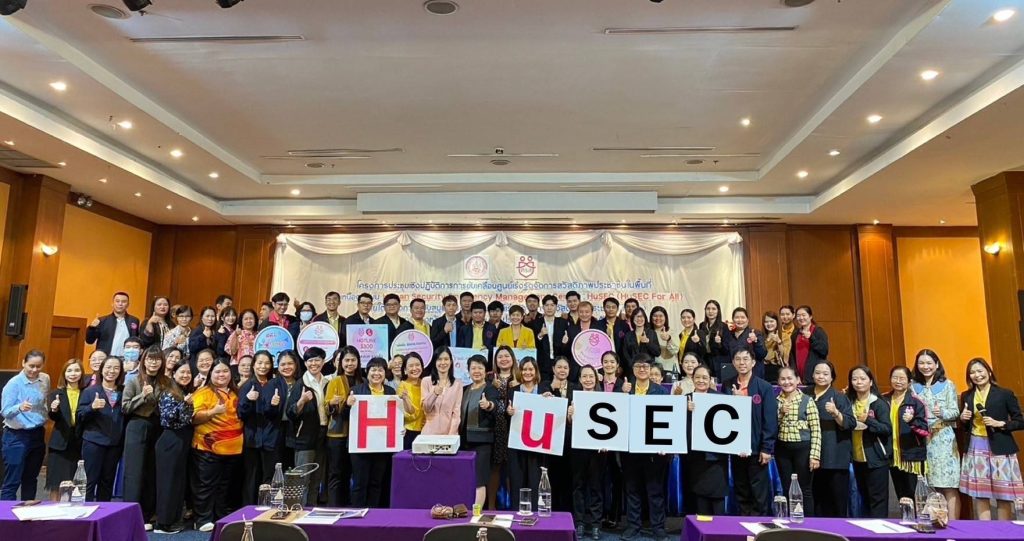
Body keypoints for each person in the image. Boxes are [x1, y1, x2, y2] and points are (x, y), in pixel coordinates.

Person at [959, 357, 1024, 520]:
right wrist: (963, 418)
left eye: (980, 371)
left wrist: (1001, 423)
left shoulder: (1004, 394)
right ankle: (985, 530)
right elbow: (965, 427)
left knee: (1003, 494)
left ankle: (1003, 530)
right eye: (972, 372)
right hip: (976, 445)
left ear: (989, 372)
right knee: (981, 494)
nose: (977, 375)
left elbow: (1020, 421)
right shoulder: (967, 396)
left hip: (1000, 445)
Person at [723, 349, 777, 516]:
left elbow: (770, 420)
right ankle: (743, 523)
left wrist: (767, 448)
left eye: (746, 359)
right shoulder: (727, 385)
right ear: (733, 363)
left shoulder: (764, 387)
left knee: (759, 492)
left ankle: (760, 526)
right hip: (735, 447)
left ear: (753, 362)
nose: (742, 362)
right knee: (741, 490)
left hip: (756, 449)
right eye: (738, 359)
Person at [620, 354, 668, 541]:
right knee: (632, 490)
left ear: (650, 369)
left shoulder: (661, 392)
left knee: (655, 491)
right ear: (633, 370)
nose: (642, 369)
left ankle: (658, 528)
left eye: (645, 367)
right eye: (638, 366)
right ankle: (633, 526)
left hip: (654, 450)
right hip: (630, 449)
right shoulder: (625, 389)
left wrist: (665, 444)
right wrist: (622, 395)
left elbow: (667, 419)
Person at [190, 361, 242, 531]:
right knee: (205, 485)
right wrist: (212, 412)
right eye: (217, 372)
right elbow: (193, 418)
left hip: (233, 449)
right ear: (210, 374)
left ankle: (220, 517)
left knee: (224, 486)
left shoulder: (236, 392)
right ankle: (202, 519)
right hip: (207, 447)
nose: (222, 375)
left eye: (225, 371)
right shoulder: (203, 392)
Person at [912, 349, 961, 518]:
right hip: (922, 439)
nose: (925, 366)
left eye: (929, 363)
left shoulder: (947, 385)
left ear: (936, 364)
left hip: (943, 439)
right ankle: (936, 521)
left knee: (948, 484)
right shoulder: (913, 387)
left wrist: (943, 413)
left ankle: (953, 524)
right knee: (931, 485)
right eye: (921, 363)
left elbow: (955, 411)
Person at [122, 346, 168, 524]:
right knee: (134, 472)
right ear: (144, 361)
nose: (153, 363)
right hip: (137, 425)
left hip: (158, 427)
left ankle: (147, 515)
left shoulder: (166, 381)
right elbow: (125, 407)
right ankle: (130, 514)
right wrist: (142, 395)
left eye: (157, 359)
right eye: (150, 359)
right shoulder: (134, 380)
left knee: (152, 471)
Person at [347, 357, 398, 507]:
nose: (377, 373)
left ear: (385, 373)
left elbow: (395, 417)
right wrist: (347, 405)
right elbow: (344, 417)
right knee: (359, 483)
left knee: (376, 483)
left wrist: (398, 430)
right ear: (367, 372)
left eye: (380, 370)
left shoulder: (390, 391)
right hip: (361, 445)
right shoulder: (356, 390)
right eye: (373, 370)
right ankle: (357, 513)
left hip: (381, 445)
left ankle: (373, 515)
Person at [807, 361, 855, 517]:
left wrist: (835, 413)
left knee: (836, 503)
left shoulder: (838, 397)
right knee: (816, 502)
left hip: (835, 456)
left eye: (825, 374)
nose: (821, 376)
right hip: (811, 457)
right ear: (812, 375)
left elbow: (850, 423)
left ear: (832, 377)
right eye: (817, 373)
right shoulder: (805, 395)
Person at [237, 350, 286, 505]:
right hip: (252, 440)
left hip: (271, 439)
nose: (263, 366)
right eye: (259, 363)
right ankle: (249, 509)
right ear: (253, 365)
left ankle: (269, 509)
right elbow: (241, 414)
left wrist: (274, 405)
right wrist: (248, 400)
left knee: (270, 478)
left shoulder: (276, 384)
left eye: (267, 363)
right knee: (251, 477)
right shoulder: (247, 385)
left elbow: (275, 414)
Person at [1, 350, 49, 501]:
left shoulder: (45, 379)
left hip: (37, 433)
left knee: (31, 479)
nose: (34, 370)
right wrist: (19, 408)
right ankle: (6, 514)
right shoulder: (13, 384)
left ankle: (29, 511)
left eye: (38, 366)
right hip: (16, 436)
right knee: (12, 481)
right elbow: (5, 411)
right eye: (31, 366)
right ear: (23, 363)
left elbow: (44, 402)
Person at [774, 366, 821, 518]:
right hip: (782, 449)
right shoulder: (776, 401)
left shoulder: (807, 400)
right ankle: (790, 520)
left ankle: (808, 523)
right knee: (787, 487)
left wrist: (815, 455)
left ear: (798, 380)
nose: (786, 382)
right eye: (783, 379)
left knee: (804, 489)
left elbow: (816, 429)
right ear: (778, 381)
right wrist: (781, 413)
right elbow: (772, 425)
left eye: (790, 378)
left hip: (803, 449)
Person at [154, 362, 195, 534]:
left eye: (188, 373)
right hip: (170, 440)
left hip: (182, 441)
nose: (185, 375)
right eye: (182, 372)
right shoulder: (168, 393)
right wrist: (185, 404)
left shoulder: (184, 392)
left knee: (177, 483)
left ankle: (173, 520)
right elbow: (168, 418)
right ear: (174, 373)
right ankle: (162, 523)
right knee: (167, 483)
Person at [846, 365, 892, 519]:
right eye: (854, 379)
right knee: (863, 498)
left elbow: (886, 429)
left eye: (862, 378)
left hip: (876, 458)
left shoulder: (878, 403)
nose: (858, 382)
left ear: (871, 382)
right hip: (857, 459)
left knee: (877, 500)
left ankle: (879, 529)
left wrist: (868, 420)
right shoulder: (849, 402)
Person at [77, 355, 125, 502]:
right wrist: (92, 407)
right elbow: (80, 415)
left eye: (116, 368)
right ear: (102, 369)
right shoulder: (90, 391)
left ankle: (104, 512)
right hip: (94, 442)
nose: (112, 371)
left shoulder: (123, 392)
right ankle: (86, 512)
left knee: (107, 481)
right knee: (89, 481)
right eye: (108, 367)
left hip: (114, 444)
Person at [288, 347, 332, 506]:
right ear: (305, 363)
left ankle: (311, 510)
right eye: (310, 360)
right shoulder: (300, 384)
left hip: (323, 435)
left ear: (323, 361)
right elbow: (290, 413)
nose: (314, 363)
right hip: (304, 437)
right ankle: (299, 512)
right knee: (302, 479)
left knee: (316, 479)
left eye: (317, 360)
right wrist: (302, 401)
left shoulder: (327, 383)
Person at [684, 364, 728, 515]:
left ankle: (719, 529)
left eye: (704, 377)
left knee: (717, 499)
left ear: (710, 380)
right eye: (697, 377)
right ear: (692, 379)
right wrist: (685, 410)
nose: (701, 381)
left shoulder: (721, 398)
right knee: (699, 499)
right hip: (694, 457)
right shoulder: (685, 399)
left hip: (716, 457)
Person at [460, 354, 501, 509]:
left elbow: (496, 406)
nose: (476, 371)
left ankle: (476, 512)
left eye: (480, 368)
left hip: (482, 442)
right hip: (464, 442)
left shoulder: (490, 388)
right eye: (473, 368)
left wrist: (488, 405)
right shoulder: (464, 389)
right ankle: (465, 510)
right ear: (468, 371)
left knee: (479, 480)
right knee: (466, 478)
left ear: (485, 371)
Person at [568, 365, 603, 540]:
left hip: (598, 450)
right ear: (580, 379)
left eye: (591, 376)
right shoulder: (573, 398)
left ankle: (596, 524)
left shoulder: (604, 398)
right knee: (578, 486)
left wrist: (607, 443)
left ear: (596, 379)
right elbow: (568, 423)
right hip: (578, 448)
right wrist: (570, 415)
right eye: (585, 376)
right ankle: (580, 522)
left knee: (596, 486)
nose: (588, 380)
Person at [506, 357, 546, 509]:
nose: (527, 372)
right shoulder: (513, 391)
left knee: (535, 481)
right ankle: (517, 513)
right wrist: (509, 412)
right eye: (524, 369)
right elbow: (506, 416)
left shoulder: (545, 390)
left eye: (530, 369)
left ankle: (535, 513)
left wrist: (550, 400)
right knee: (517, 480)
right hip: (517, 444)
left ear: (536, 371)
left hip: (538, 444)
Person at [884, 365, 928, 501]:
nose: (898, 381)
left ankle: (916, 515)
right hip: (892, 455)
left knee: (913, 494)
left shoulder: (916, 402)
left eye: (902, 378)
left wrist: (912, 421)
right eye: (895, 378)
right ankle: (905, 514)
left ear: (909, 382)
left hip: (910, 455)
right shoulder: (884, 400)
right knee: (900, 494)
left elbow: (924, 430)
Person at [45, 358, 85, 501]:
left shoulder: (87, 393)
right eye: (69, 371)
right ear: (64, 373)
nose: (73, 374)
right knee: (56, 484)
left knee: (75, 484)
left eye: (76, 370)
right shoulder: (56, 393)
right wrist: (54, 409)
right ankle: (53, 511)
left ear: (82, 373)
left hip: (79, 443)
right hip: (60, 443)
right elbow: (53, 416)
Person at [487, 346, 521, 509]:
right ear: (496, 360)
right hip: (495, 427)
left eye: (507, 356)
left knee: (512, 469)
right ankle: (491, 506)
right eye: (500, 356)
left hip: (515, 427)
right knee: (495, 467)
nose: (503, 359)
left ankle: (512, 506)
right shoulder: (489, 377)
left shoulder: (519, 378)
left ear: (513, 359)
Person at [541, 356, 574, 512]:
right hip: (550, 439)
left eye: (565, 367)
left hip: (569, 439)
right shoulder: (544, 386)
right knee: (552, 476)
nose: (562, 370)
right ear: (553, 369)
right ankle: (551, 511)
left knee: (568, 477)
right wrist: (552, 390)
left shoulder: (575, 387)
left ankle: (567, 513)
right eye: (559, 367)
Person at [324, 351, 354, 507]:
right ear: (340, 363)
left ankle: (347, 506)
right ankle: (334, 507)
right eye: (346, 360)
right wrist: (332, 404)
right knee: (336, 474)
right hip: (337, 435)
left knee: (349, 473)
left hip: (357, 435)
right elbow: (326, 407)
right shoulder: (335, 381)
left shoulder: (363, 380)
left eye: (353, 360)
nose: (350, 363)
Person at [422, 346, 463, 435]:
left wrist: (451, 436)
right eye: (439, 359)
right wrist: (434, 394)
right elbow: (426, 409)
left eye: (446, 359)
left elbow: (456, 413)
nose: (443, 362)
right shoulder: (426, 381)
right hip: (429, 433)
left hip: (449, 433)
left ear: (451, 361)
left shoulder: (458, 384)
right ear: (435, 362)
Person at [86, 291, 140, 356]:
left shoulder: (134, 320)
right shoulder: (102, 321)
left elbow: (136, 340)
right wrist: (92, 328)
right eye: (117, 301)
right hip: (107, 358)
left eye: (123, 302)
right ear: (112, 303)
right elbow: (89, 341)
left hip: (127, 358)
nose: (120, 304)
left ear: (128, 304)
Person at [721, 307, 766, 381]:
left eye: (742, 317)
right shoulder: (728, 335)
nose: (740, 320)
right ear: (733, 320)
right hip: (733, 373)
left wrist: (756, 341)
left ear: (747, 320)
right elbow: (725, 353)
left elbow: (762, 354)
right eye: (737, 317)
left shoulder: (755, 333)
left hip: (754, 374)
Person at [531, 294, 569, 382]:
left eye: (552, 305)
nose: (549, 308)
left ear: (556, 307)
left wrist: (565, 343)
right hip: (542, 364)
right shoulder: (536, 323)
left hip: (559, 363)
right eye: (547, 305)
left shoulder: (562, 323)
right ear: (543, 307)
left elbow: (566, 347)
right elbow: (532, 345)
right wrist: (540, 335)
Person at [790, 305, 829, 384]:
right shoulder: (795, 334)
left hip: (814, 375)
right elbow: (792, 356)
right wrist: (795, 374)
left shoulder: (818, 331)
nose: (801, 318)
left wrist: (811, 338)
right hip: (799, 376)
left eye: (803, 315)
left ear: (810, 316)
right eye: (798, 316)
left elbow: (824, 350)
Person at [397, 352, 426, 448]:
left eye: (417, 365)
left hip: (427, 431)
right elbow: (409, 415)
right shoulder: (402, 386)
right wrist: (406, 399)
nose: (414, 368)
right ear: (405, 370)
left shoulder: (426, 384)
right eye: (411, 366)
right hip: (409, 433)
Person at [622, 307, 660, 372]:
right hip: (632, 370)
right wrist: (633, 365)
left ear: (645, 318)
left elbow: (657, 352)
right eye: (637, 317)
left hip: (648, 370)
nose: (639, 319)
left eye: (641, 316)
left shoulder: (651, 333)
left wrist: (648, 342)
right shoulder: (628, 335)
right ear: (633, 319)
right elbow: (625, 354)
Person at [697, 300, 727, 378]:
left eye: (713, 309)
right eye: (708, 309)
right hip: (705, 360)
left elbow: (727, 349)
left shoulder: (723, 326)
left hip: (718, 361)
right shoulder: (702, 325)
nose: (710, 311)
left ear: (718, 311)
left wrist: (719, 343)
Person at [650, 306, 679, 374]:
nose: (658, 318)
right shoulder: (648, 333)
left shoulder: (672, 332)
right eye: (655, 316)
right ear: (651, 317)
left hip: (669, 369)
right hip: (652, 371)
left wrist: (668, 339)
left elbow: (675, 351)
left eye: (661, 316)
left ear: (665, 317)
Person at [762, 311, 784, 384]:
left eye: (771, 321)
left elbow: (784, 355)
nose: (769, 324)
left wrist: (779, 342)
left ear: (777, 322)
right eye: (766, 322)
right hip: (762, 369)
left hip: (777, 369)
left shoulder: (784, 336)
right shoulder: (760, 336)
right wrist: (767, 341)